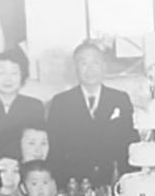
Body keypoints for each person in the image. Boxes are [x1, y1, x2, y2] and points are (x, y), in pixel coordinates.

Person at [46, 41, 137, 185]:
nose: (90, 70)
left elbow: (130, 141)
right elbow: (55, 149)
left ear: (104, 67)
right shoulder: (61, 102)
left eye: (95, 63)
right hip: (74, 182)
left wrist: (129, 181)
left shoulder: (120, 99)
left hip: (113, 180)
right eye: (83, 63)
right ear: (75, 68)